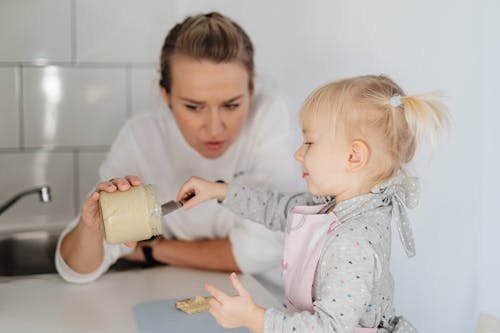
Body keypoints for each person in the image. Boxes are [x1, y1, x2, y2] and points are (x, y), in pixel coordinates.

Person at [177, 74, 449, 332]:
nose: (298, 153)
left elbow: (329, 328)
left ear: (354, 156)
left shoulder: (352, 240)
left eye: (309, 142)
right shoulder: (332, 207)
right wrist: (218, 191)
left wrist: (255, 318)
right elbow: (276, 207)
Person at [55, 12, 302, 291]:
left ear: (251, 89)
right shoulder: (141, 138)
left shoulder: (268, 115)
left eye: (232, 105)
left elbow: (263, 250)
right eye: (194, 107)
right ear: (166, 97)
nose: (214, 129)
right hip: (169, 294)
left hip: (264, 297)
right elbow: (76, 271)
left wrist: (152, 250)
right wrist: (91, 229)